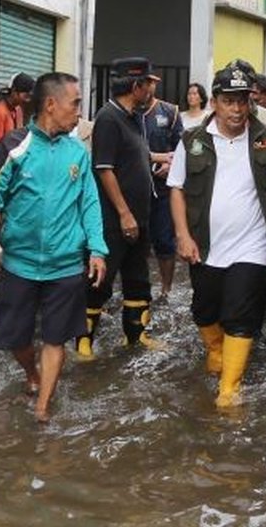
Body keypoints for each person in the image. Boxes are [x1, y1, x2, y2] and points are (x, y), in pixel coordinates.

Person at [0, 72, 108, 422]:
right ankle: (31, 373)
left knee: (55, 338)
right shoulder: (12, 148)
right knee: (15, 339)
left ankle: (42, 406)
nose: (79, 112)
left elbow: (90, 203)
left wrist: (97, 249)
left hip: (65, 266)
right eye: (75, 103)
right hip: (19, 263)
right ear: (51, 104)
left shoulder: (77, 153)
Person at [169, 65, 266, 407]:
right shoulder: (192, 140)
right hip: (205, 245)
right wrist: (182, 235)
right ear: (215, 103)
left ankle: (229, 390)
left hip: (251, 245)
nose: (236, 109)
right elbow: (176, 188)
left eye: (242, 101)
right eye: (228, 101)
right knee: (204, 310)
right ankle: (216, 350)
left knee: (241, 312)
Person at [79, 57, 159, 357]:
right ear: (136, 86)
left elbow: (133, 158)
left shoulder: (132, 117)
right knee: (99, 279)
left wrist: (159, 160)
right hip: (114, 220)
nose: (152, 89)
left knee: (138, 278)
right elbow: (104, 168)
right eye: (149, 83)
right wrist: (124, 214)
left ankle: (136, 336)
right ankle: (83, 341)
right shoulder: (108, 119)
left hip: (139, 218)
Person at [140, 77, 184, 302]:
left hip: (163, 189)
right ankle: (139, 289)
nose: (149, 87)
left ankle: (166, 290)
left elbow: (182, 147)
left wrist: (170, 164)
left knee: (165, 241)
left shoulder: (170, 112)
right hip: (135, 188)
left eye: (152, 83)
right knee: (136, 242)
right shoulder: (125, 114)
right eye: (144, 83)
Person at [0, 72, 36, 142]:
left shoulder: (18, 109)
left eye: (29, 97)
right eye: (26, 96)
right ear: (14, 91)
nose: (28, 100)